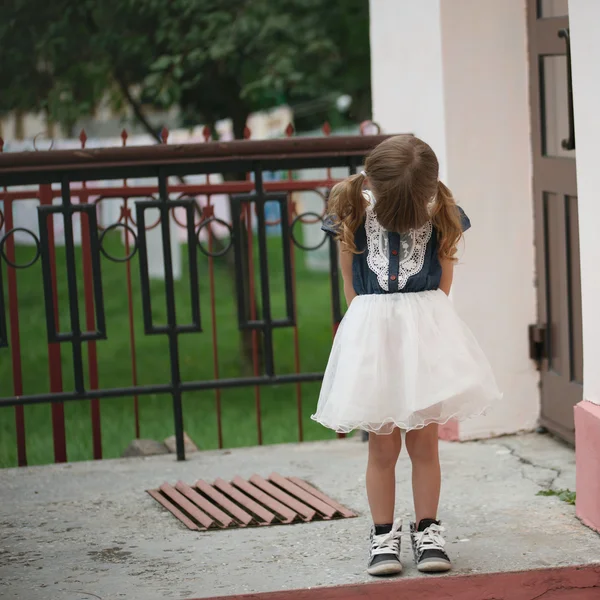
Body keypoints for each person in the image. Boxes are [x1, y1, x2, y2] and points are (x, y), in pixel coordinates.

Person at [311, 135, 501, 577]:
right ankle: (383, 536)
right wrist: (370, 332)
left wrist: (426, 339)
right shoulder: (353, 210)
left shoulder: (441, 211)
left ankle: (428, 530)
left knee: (424, 443)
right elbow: (350, 282)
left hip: (425, 334)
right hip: (374, 336)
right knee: (382, 446)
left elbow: (444, 281)